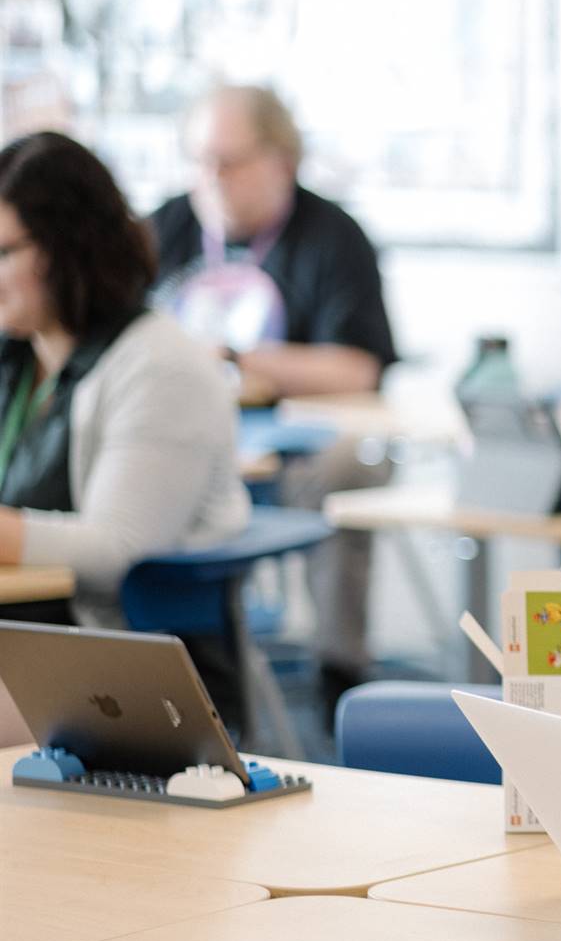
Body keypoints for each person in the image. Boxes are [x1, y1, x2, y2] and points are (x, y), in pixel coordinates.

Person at [150, 85, 400, 706]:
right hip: (187, 433)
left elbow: (356, 369)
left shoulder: (332, 236)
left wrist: (235, 358)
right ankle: (167, 673)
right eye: (200, 161)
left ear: (281, 159)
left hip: (297, 443)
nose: (213, 180)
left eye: (229, 163)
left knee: (344, 467)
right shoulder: (168, 225)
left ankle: (339, 671)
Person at [0, 131, 250, 707]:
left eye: (5, 251)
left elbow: (117, 551)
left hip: (115, 680)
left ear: (67, 248)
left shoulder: (161, 366)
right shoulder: (18, 357)